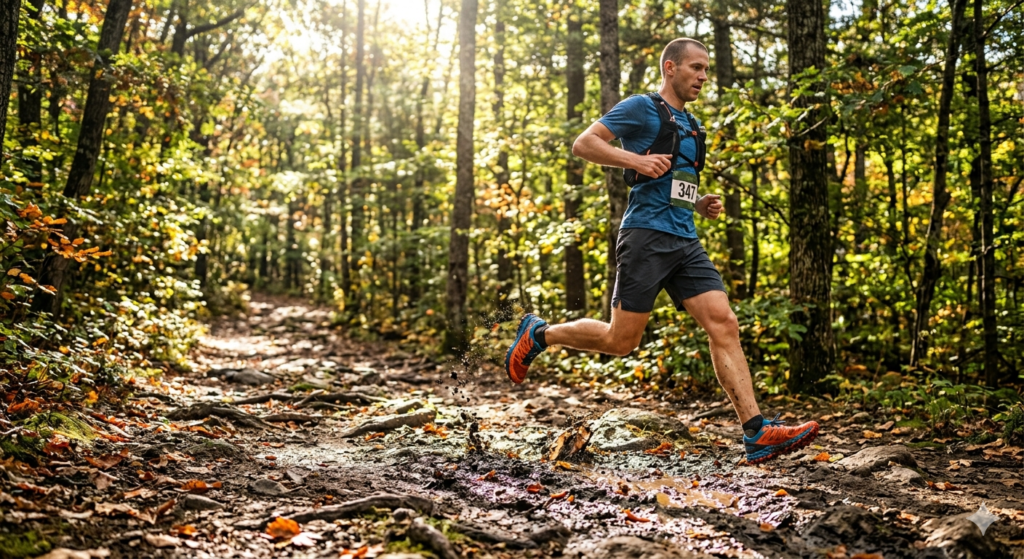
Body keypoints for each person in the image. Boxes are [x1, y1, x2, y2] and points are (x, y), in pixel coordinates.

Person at [504, 38, 819, 464]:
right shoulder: (641, 107)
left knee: (724, 322)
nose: (703, 77)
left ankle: (756, 431)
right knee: (621, 341)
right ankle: (539, 334)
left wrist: (700, 202)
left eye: (707, 69)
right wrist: (633, 162)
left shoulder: (692, 125)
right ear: (670, 68)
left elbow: (674, 186)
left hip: (684, 238)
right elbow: (584, 143)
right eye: (695, 68)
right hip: (646, 236)